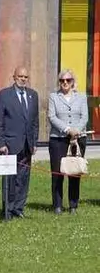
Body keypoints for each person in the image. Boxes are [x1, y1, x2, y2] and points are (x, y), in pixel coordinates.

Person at [0, 67, 40, 220]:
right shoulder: (4, 95)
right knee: (10, 179)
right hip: (9, 145)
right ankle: (7, 209)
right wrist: (0, 143)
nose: (23, 79)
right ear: (14, 77)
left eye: (25, 77)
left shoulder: (33, 95)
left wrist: (34, 142)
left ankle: (19, 208)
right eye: (20, 76)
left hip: (27, 144)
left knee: (23, 178)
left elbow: (35, 121)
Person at [47, 68, 89, 215]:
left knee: (74, 172)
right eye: (62, 80)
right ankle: (57, 205)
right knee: (57, 173)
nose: (65, 82)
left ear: (72, 82)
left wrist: (76, 131)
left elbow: (84, 117)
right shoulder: (53, 97)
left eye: (68, 80)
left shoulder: (81, 97)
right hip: (58, 140)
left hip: (78, 139)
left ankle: (73, 205)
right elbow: (52, 117)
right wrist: (67, 130)